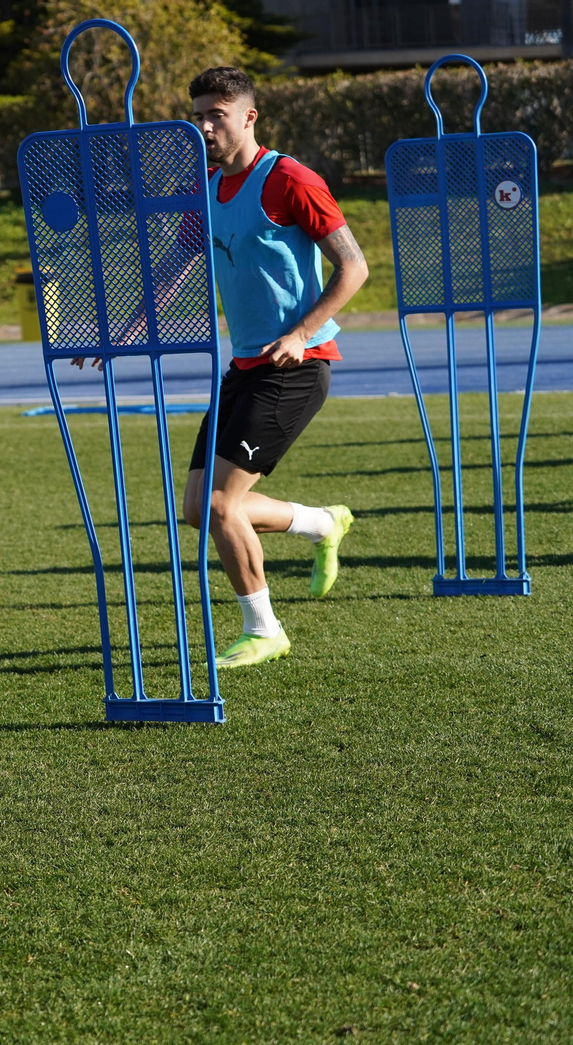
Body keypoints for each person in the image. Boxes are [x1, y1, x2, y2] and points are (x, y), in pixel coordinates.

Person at [184, 67, 367, 667]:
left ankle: (264, 630)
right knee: (198, 509)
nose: (206, 126)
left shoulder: (289, 178)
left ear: (248, 117)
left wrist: (301, 332)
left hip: (297, 365)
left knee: (220, 507)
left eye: (217, 114)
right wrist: (120, 331)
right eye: (199, 115)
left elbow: (354, 268)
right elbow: (178, 264)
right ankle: (320, 523)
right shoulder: (204, 185)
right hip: (243, 368)